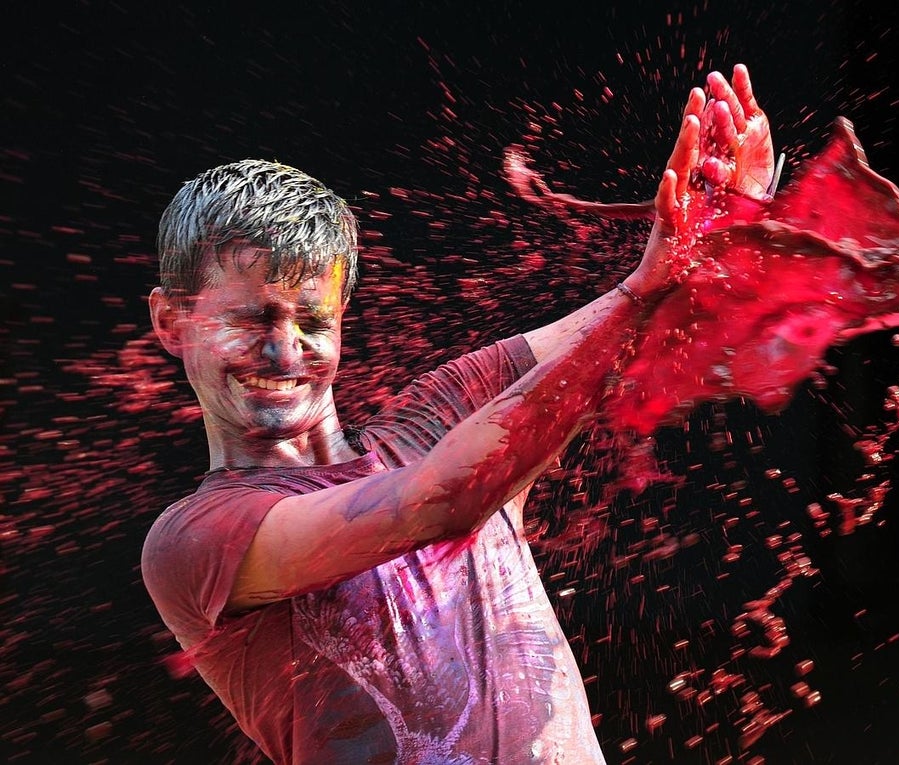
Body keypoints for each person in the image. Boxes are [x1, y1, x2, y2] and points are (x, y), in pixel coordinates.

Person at [141, 65, 768, 764]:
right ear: (170, 320)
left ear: (343, 318)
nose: (285, 348)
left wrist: (714, 227)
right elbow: (440, 500)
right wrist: (643, 291)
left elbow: (641, 312)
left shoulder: (438, 413)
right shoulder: (193, 538)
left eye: (312, 320)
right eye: (251, 318)